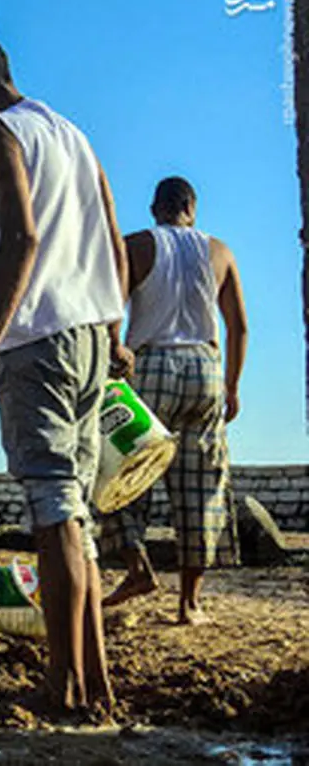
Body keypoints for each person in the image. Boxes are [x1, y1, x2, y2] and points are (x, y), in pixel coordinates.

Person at [0, 29, 131, 712]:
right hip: (88, 334)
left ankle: (62, 685)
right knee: (76, 517)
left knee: (52, 512)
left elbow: (22, 236)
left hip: (36, 337)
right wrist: (114, 330)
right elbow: (110, 235)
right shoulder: (71, 133)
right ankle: (95, 684)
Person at [100, 177, 247, 624]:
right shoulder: (219, 251)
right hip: (205, 367)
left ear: (154, 208)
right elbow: (238, 325)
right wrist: (232, 386)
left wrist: (114, 347)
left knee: (119, 470)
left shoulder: (138, 245)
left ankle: (137, 568)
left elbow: (111, 305)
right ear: (191, 207)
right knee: (202, 485)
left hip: (150, 364)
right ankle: (190, 603)